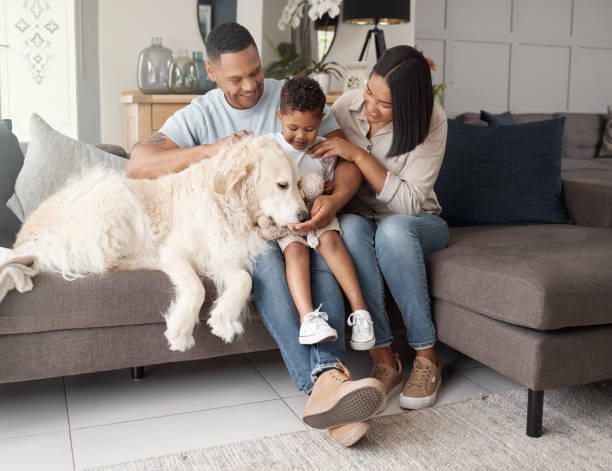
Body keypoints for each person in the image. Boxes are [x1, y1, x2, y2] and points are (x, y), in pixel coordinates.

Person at [127, 22, 384, 447]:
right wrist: (211, 150)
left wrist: (333, 200)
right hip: (251, 233)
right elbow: (138, 163)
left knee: (319, 250)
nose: (250, 86)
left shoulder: (291, 98)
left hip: (306, 217)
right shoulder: (202, 112)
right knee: (265, 259)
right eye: (236, 78)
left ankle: (331, 388)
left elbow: (347, 158)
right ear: (212, 72)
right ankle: (329, 380)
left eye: (256, 72)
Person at [309, 45, 449, 415]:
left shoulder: (432, 121)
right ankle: (385, 360)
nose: (370, 106)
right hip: (362, 218)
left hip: (419, 223)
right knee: (350, 232)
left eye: (385, 104)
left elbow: (407, 204)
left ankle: (427, 357)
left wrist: (359, 155)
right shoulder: (346, 108)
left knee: (393, 232)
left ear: (408, 105)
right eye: (370, 92)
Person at [264, 76, 375, 350]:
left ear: (322, 119)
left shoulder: (325, 148)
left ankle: (361, 314)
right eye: (293, 128)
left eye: (309, 129)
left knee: (332, 242)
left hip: (318, 215)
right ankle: (308, 318)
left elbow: (333, 182)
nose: (301, 136)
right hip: (288, 220)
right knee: (295, 252)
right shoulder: (268, 147)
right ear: (279, 117)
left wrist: (328, 187)